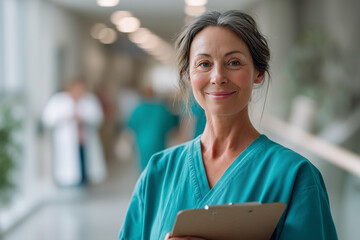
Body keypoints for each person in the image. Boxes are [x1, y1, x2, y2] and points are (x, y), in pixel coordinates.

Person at [118, 10, 338, 240]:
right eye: (203, 64)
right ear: (188, 75)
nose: (218, 77)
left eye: (233, 62)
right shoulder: (158, 172)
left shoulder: (294, 176)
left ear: (258, 72)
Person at [42, 77, 107, 187]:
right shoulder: (58, 100)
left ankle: (84, 181)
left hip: (84, 139)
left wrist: (84, 118)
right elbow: (48, 118)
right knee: (68, 167)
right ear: (70, 88)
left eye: (82, 89)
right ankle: (68, 183)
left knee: (85, 164)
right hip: (66, 140)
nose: (80, 91)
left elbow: (98, 117)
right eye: (77, 88)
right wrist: (67, 116)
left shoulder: (89, 100)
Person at [127, 85, 179, 171]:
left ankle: (146, 182)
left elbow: (130, 126)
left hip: (142, 143)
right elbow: (173, 124)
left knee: (145, 169)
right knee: (159, 166)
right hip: (158, 142)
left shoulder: (138, 109)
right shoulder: (161, 109)